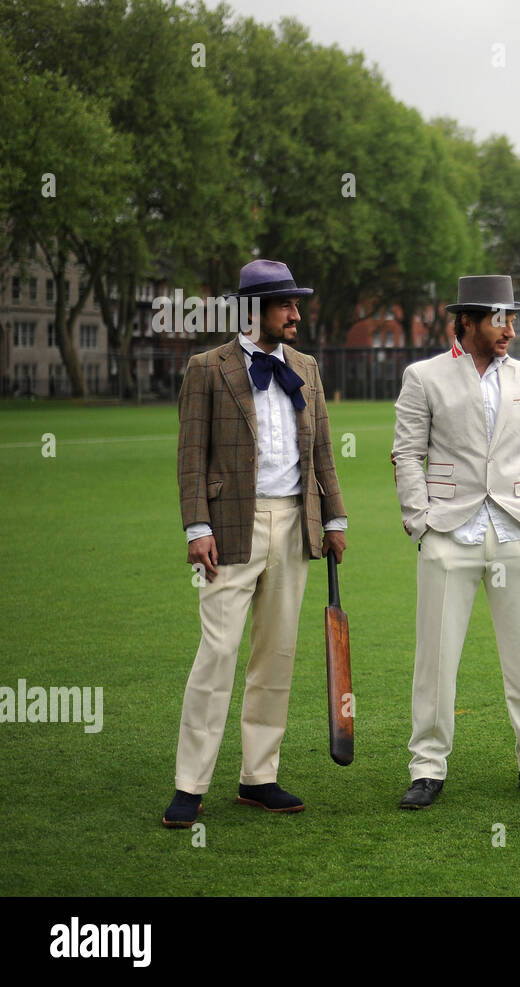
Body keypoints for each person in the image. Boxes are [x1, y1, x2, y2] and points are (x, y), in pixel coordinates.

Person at [164, 259, 347, 828]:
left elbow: (321, 454)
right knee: (216, 657)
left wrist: (334, 518)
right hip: (228, 531)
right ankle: (190, 785)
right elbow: (191, 455)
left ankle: (257, 777)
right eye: (285, 305)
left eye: (297, 304)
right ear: (252, 310)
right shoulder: (205, 368)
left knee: (277, 656)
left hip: (295, 525)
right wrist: (198, 528)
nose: (296, 314)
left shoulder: (307, 368)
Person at [392, 275, 520, 807]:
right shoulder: (423, 376)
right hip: (449, 533)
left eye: (513, 319)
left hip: (518, 530)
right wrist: (420, 523)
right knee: (435, 658)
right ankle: (427, 769)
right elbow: (407, 454)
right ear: (467, 322)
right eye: (501, 319)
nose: (511, 330)